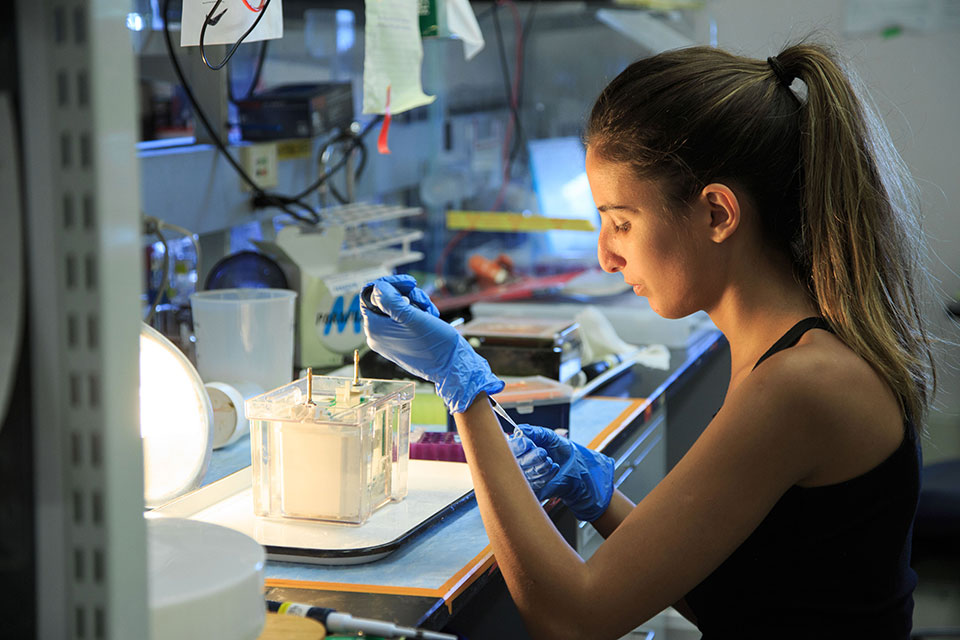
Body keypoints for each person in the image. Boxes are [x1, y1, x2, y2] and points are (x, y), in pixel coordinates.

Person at [360, 41, 935, 640]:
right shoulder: (786, 352)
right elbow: (747, 592)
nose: (606, 257)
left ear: (717, 214)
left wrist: (465, 389)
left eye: (622, 222)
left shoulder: (800, 384)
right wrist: (597, 497)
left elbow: (570, 620)